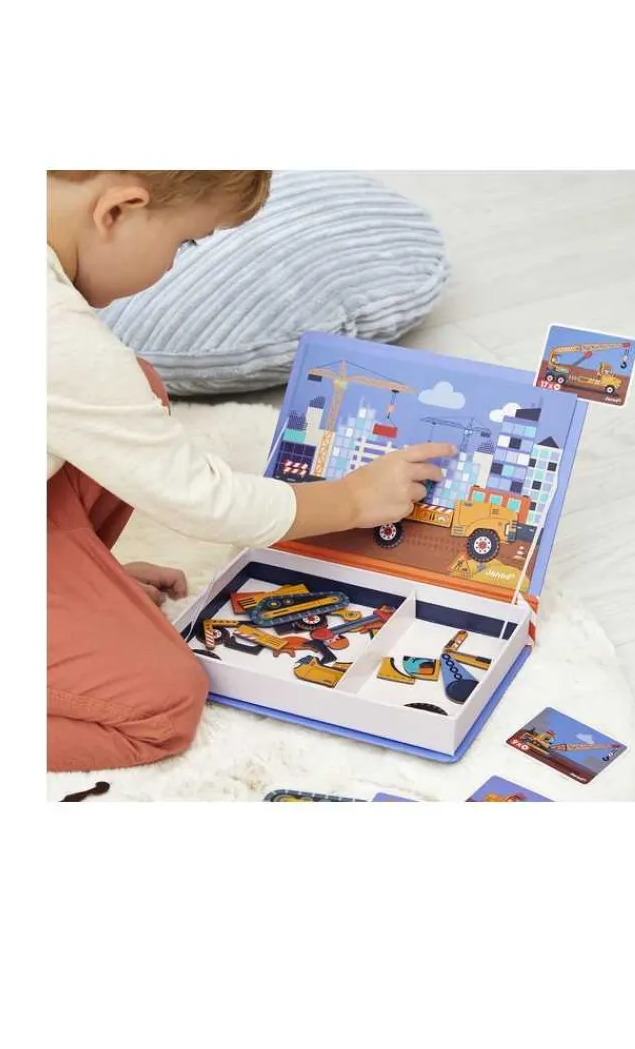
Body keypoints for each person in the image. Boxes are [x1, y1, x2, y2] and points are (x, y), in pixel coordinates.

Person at [47, 170, 453, 772]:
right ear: (117, 211)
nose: (174, 263)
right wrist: (350, 500)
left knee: (134, 391)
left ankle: (75, 584)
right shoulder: (55, 334)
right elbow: (201, 499)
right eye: (185, 242)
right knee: (162, 706)